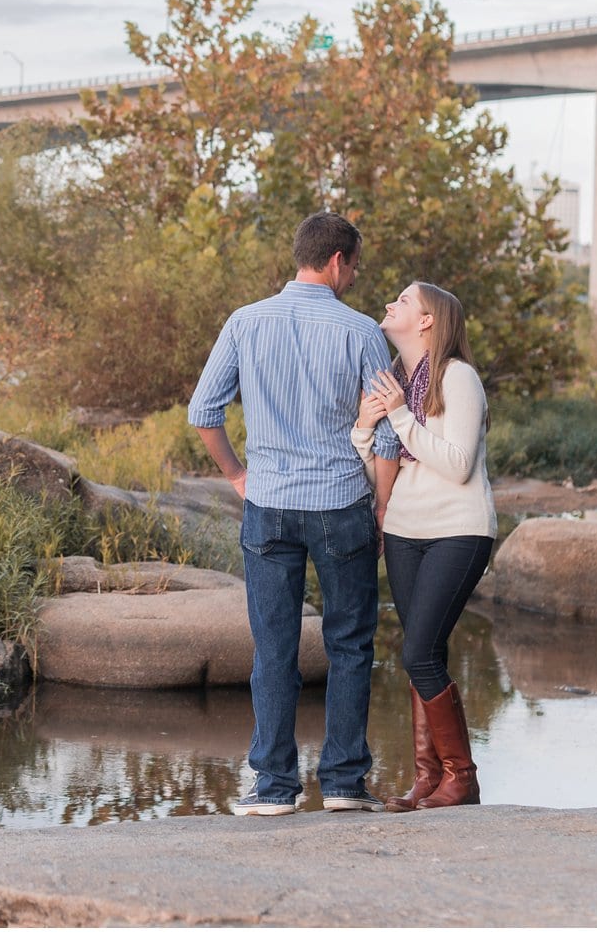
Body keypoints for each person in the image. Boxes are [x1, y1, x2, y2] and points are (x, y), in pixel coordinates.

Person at [189, 211, 402, 815]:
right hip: (340, 504)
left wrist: (237, 475)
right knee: (351, 645)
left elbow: (204, 411)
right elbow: (384, 434)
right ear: (337, 261)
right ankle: (341, 783)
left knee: (274, 647)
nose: (355, 276)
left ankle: (274, 787)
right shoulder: (362, 332)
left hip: (270, 505)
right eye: (355, 265)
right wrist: (381, 506)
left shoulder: (245, 322)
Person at [353, 281, 496, 811]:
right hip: (406, 532)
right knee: (422, 657)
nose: (391, 303)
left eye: (404, 301)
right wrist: (366, 431)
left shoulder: (459, 379)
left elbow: (457, 464)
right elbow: (382, 471)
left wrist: (396, 417)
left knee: (417, 652)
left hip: (458, 531)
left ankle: (462, 778)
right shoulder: (397, 383)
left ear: (429, 320)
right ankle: (427, 779)